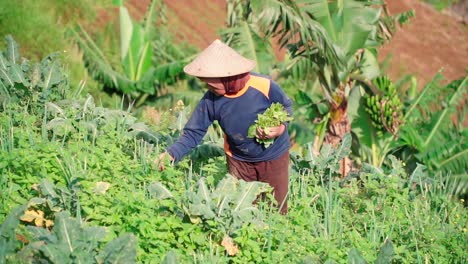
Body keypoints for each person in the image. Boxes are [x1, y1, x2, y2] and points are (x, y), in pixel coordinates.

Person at [157, 39, 293, 214]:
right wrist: (171, 154)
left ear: (229, 78)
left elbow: (286, 108)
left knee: (276, 210)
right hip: (239, 162)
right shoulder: (211, 100)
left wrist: (280, 128)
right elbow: (193, 133)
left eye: (211, 83)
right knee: (242, 211)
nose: (208, 87)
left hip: (274, 158)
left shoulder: (264, 86)